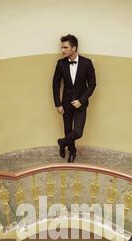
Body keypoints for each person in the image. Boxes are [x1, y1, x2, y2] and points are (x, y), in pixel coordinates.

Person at [52, 34, 96, 162]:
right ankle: (72, 152)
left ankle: (62, 142)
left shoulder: (86, 63)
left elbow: (92, 84)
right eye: (62, 47)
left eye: (65, 47)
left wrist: (81, 101)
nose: (63, 50)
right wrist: (58, 104)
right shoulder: (60, 64)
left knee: (78, 132)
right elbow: (55, 85)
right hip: (65, 103)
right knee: (67, 129)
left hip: (81, 104)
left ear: (74, 48)